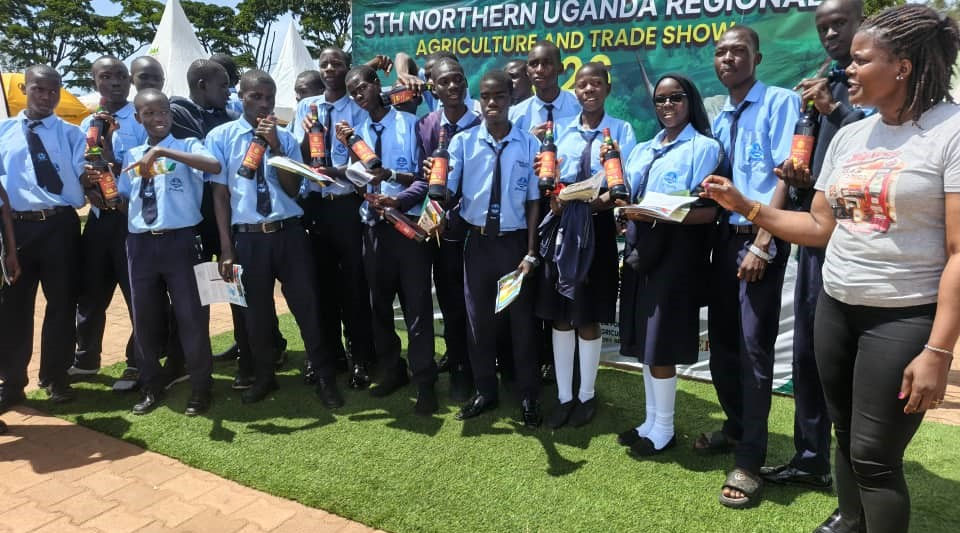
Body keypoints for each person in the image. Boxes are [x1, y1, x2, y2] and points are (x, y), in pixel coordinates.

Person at [701, 7, 959, 531]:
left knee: (874, 456)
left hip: (902, 316)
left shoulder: (949, 133)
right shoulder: (850, 136)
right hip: (837, 305)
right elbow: (821, 227)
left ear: (903, 67)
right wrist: (747, 206)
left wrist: (937, 350)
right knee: (845, 431)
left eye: (860, 61)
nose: (845, 71)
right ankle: (849, 517)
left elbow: (959, 251)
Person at [759, 0, 867, 509]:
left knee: (843, 362)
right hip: (814, 234)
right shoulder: (825, 80)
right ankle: (810, 458)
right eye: (823, 26)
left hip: (860, 243)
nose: (829, 33)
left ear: (861, 23)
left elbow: (873, 148)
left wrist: (834, 109)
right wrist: (797, 180)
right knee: (807, 354)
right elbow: (817, 159)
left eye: (838, 24)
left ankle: (859, 469)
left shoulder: (874, 81)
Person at [698, 25, 801, 508]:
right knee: (721, 347)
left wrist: (764, 240)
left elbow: (786, 175)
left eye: (738, 51)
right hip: (720, 239)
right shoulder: (719, 118)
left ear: (756, 57)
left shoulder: (780, 103)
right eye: (721, 52)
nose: (728, 59)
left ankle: (750, 459)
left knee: (754, 353)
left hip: (757, 241)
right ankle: (737, 427)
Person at [207, 69, 343, 408]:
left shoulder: (287, 138)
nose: (264, 104)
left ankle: (325, 378)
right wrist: (226, 248)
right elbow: (220, 197)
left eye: (269, 97)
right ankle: (265, 377)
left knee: (307, 307)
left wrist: (276, 146)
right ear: (242, 97)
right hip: (249, 239)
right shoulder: (221, 137)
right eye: (256, 97)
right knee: (256, 314)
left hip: (289, 233)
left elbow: (293, 189)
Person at [426, 69, 543, 426]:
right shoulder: (462, 143)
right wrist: (437, 183)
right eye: (487, 97)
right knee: (479, 323)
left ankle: (528, 396)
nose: (493, 103)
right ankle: (485, 391)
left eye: (500, 97)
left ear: (511, 99)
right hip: (477, 244)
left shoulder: (529, 144)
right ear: (480, 101)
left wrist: (530, 252)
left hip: (513, 245)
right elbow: (448, 193)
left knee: (521, 324)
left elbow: (533, 203)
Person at [615, 74, 720, 452]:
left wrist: (651, 213)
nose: (667, 106)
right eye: (660, 100)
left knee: (659, 344)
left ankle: (665, 430)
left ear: (689, 100)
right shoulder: (643, 149)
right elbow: (627, 191)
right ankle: (649, 422)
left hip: (676, 254)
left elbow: (703, 208)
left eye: (675, 98)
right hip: (640, 250)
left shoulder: (704, 147)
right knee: (645, 342)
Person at [534, 63, 636, 429]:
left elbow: (625, 183)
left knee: (588, 316)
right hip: (563, 229)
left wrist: (598, 201)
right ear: (574, 90)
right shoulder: (559, 132)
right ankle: (564, 396)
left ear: (607, 88)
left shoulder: (622, 130)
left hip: (599, 229)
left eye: (595, 83)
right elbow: (550, 181)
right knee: (561, 316)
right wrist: (556, 196)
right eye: (581, 84)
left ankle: (587, 395)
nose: (588, 89)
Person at [171, 59, 287, 374]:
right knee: (209, 289)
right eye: (222, 86)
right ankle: (204, 353)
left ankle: (256, 348)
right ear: (201, 86)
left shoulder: (233, 117)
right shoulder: (179, 113)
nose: (229, 92)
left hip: (231, 220)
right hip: (201, 221)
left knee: (240, 290)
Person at [335, 65, 438, 414]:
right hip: (374, 230)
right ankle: (393, 371)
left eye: (361, 87)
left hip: (407, 228)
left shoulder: (411, 124)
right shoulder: (358, 135)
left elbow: (424, 180)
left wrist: (397, 193)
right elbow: (354, 181)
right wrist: (348, 161)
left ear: (377, 84)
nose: (358, 95)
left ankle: (426, 381)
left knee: (417, 309)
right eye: (352, 92)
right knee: (379, 307)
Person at [113, 89, 221, 416]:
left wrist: (162, 153)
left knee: (191, 316)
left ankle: (201, 386)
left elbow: (213, 165)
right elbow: (123, 200)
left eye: (163, 112)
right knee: (144, 318)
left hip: (181, 242)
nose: (158, 118)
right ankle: (151, 385)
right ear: (138, 118)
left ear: (170, 115)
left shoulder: (187, 146)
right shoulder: (132, 155)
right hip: (141, 244)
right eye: (149, 114)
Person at [0, 65, 86, 409]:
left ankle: (56, 376)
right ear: (25, 89)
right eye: (39, 89)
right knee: (13, 308)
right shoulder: (3, 131)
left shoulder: (71, 134)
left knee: (62, 304)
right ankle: (12, 382)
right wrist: (7, 243)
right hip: (16, 228)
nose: (46, 97)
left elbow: (84, 173)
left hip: (60, 225)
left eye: (53, 91)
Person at [290, 47, 375, 390]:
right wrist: (303, 139)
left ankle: (361, 358)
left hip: (347, 206)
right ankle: (330, 354)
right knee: (320, 284)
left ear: (346, 69)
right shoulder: (304, 108)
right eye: (324, 64)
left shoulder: (358, 108)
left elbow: (367, 162)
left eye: (336, 64)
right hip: (314, 205)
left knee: (354, 285)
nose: (329, 68)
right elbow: (296, 153)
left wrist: (336, 169)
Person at [70, 56, 145, 387]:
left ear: (129, 81)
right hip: (100, 221)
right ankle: (86, 360)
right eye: (106, 76)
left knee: (137, 295)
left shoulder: (143, 118)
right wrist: (89, 189)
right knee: (90, 293)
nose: (114, 82)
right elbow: (78, 170)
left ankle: (138, 361)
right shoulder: (84, 125)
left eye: (120, 76)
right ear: (95, 82)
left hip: (132, 220)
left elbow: (144, 167)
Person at [414, 57, 481, 402]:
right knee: (451, 305)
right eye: (445, 82)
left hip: (472, 230)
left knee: (475, 308)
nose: (453, 86)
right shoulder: (425, 124)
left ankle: (479, 368)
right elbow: (420, 181)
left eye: (458, 79)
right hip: (438, 231)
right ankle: (457, 368)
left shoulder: (482, 125)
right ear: (434, 88)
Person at [508, 41, 580, 136]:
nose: (539, 70)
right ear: (527, 71)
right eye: (533, 64)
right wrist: (529, 140)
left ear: (561, 68)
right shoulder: (516, 114)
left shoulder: (579, 105)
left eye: (546, 63)